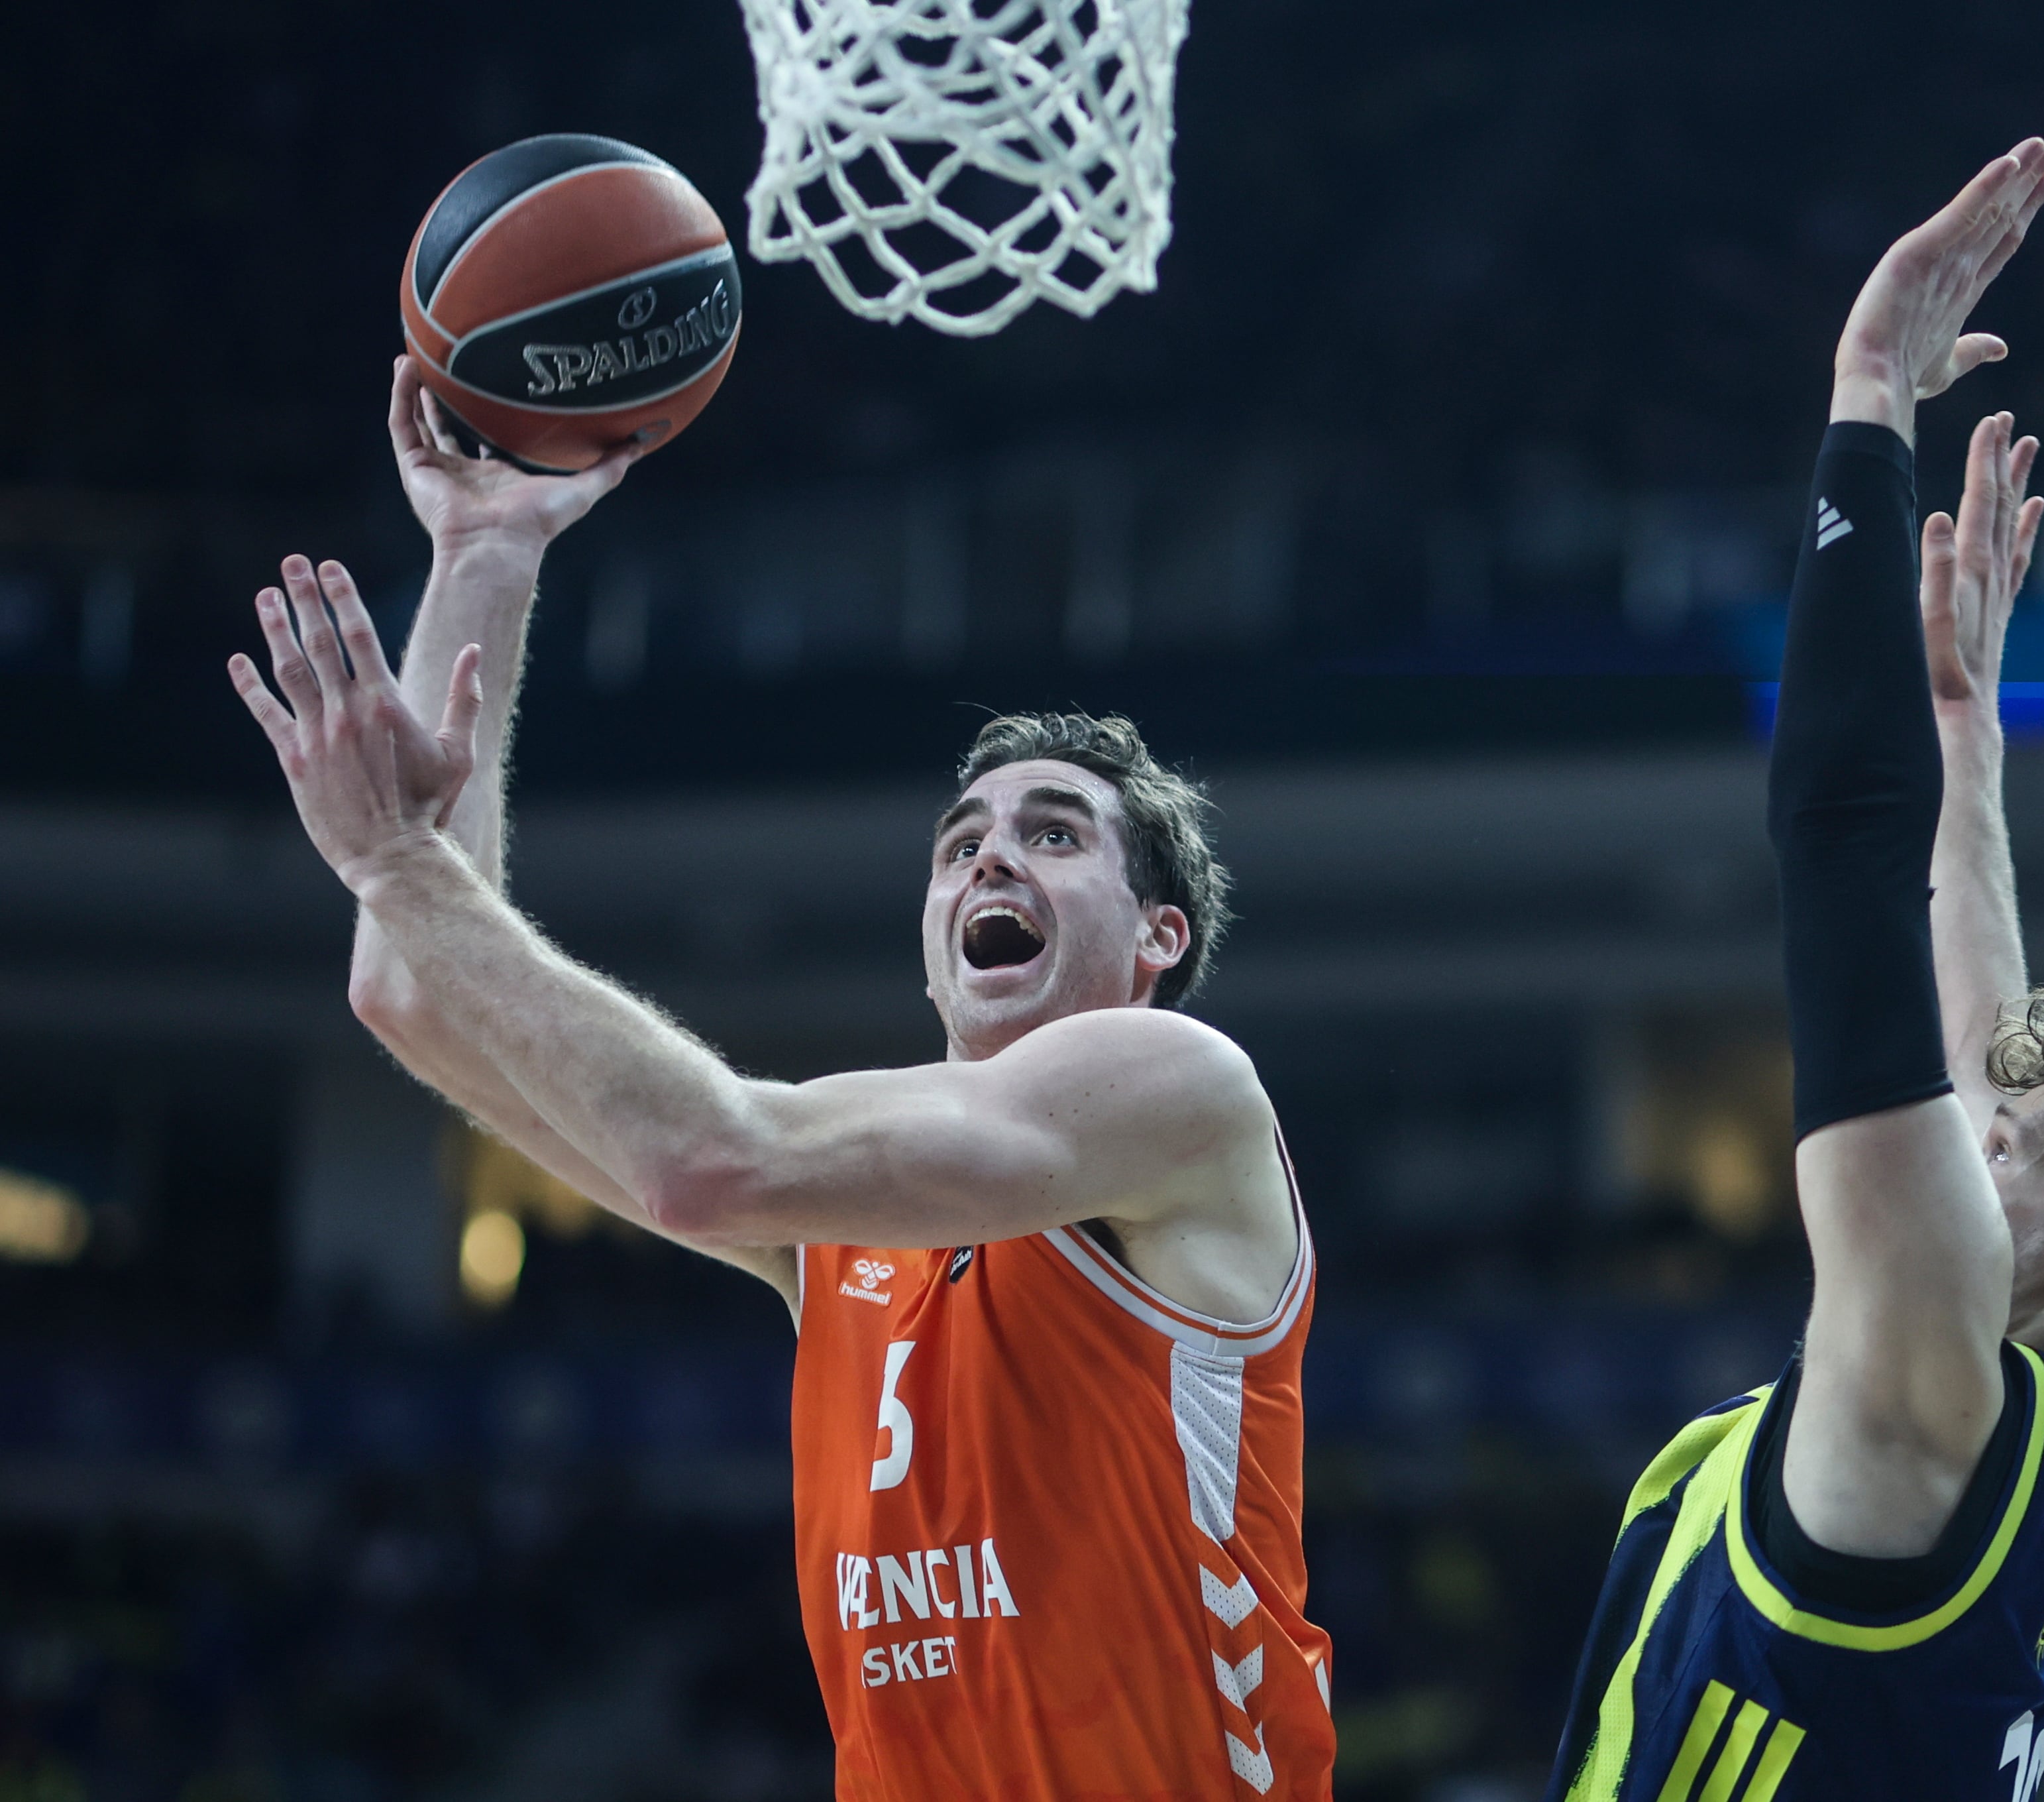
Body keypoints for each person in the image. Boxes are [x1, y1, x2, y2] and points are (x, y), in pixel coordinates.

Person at [224, 365, 1334, 1801]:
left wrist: (396, 859)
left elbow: (705, 1155)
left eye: (1054, 835)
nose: (988, 858)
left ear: (1157, 941)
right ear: (931, 949)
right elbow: (412, 992)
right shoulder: (847, 1228)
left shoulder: (1184, 1090)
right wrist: (486, 553)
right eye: (958, 843)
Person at [1547, 141, 2044, 1800]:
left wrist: (1866, 393)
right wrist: (1966, 747)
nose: (1967, 1117)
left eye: (2009, 1143)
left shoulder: (1933, 1369)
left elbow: (1836, 850)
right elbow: (1991, 1048)